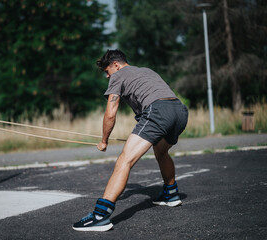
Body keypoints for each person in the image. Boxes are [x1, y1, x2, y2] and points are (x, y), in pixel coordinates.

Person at [72, 49, 189, 232]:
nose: (107, 76)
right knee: (161, 151)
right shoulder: (147, 71)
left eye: (107, 72)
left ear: (116, 65)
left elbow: (110, 114)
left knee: (124, 160)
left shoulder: (118, 75)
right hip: (179, 110)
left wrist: (104, 140)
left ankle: (100, 216)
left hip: (158, 112)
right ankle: (171, 193)